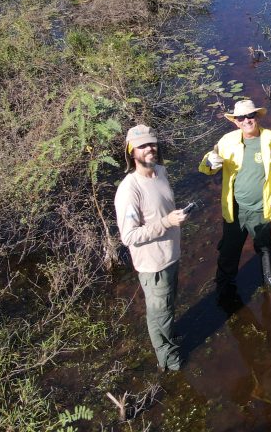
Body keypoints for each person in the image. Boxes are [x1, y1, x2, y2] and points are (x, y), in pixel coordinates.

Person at [200, 99, 271, 299]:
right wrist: (210, 162)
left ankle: (269, 279)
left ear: (257, 117)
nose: (246, 121)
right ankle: (224, 282)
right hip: (235, 208)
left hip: (262, 208)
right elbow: (207, 167)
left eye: (250, 116)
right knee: (229, 247)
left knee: (264, 245)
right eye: (241, 118)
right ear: (235, 121)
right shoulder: (227, 141)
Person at [114, 124, 187, 372]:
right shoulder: (129, 190)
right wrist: (166, 222)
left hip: (171, 256)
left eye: (152, 143)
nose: (149, 149)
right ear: (131, 152)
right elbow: (129, 236)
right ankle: (169, 360)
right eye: (142, 146)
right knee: (161, 313)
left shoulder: (160, 172)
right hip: (153, 265)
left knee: (162, 309)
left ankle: (166, 343)